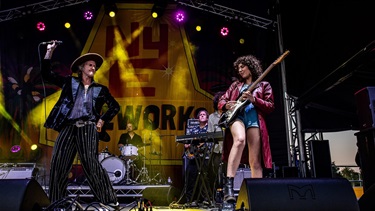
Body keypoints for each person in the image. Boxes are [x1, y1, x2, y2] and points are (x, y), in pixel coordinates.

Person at [42, 41, 120, 209]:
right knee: (58, 163)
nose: (93, 67)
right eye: (89, 65)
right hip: (68, 127)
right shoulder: (70, 82)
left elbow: (115, 106)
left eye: (94, 66)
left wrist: (102, 119)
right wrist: (49, 52)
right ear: (81, 68)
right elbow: (47, 75)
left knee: (91, 163)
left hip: (88, 127)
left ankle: (109, 201)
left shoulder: (100, 89)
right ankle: (57, 202)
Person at [218, 54, 275, 203]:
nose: (240, 69)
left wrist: (254, 99)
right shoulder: (235, 85)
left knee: (255, 161)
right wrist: (226, 105)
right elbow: (222, 100)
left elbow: (270, 106)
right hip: (238, 118)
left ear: (251, 66)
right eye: (238, 68)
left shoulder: (264, 85)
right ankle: (228, 186)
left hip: (254, 119)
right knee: (240, 140)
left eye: (243, 66)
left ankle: (258, 194)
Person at [184, 109, 210, 205]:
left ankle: (206, 199)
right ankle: (190, 199)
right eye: (200, 115)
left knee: (204, 178)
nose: (202, 116)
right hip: (193, 157)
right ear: (198, 118)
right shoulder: (193, 129)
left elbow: (209, 143)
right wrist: (187, 144)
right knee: (191, 177)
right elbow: (187, 141)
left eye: (204, 114)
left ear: (207, 118)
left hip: (204, 157)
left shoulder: (209, 129)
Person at [207, 91, 225, 200]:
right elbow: (209, 134)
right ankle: (213, 198)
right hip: (216, 150)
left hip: (227, 150)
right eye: (219, 101)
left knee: (227, 174)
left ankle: (227, 196)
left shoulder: (229, 114)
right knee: (214, 174)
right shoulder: (211, 117)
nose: (221, 103)